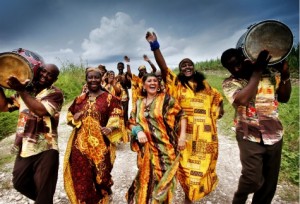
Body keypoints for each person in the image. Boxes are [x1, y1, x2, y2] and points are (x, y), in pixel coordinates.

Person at [145, 31, 224, 203]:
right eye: (183, 65)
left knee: (203, 166)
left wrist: (220, 110)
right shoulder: (177, 85)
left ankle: (194, 195)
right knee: (187, 168)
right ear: (180, 70)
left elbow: (218, 98)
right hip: (185, 134)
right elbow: (164, 68)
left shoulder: (206, 86)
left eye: (189, 64)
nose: (187, 67)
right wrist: (154, 45)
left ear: (194, 68)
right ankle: (189, 197)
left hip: (205, 135)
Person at [220, 48, 292, 204]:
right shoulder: (230, 83)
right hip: (248, 135)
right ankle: (239, 199)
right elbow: (243, 100)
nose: (236, 68)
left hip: (274, 135)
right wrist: (257, 70)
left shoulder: (270, 75)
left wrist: (285, 76)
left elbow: (285, 97)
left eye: (238, 63)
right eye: (231, 67)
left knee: (269, 184)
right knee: (252, 178)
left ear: (245, 58)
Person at [0, 63, 64, 204]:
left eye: (50, 75)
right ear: (38, 71)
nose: (44, 76)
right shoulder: (27, 89)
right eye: (43, 72)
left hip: (47, 148)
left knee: (44, 188)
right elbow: (3, 106)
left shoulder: (55, 94)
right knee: (19, 183)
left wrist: (22, 91)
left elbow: (40, 110)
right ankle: (44, 200)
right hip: (25, 146)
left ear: (55, 79)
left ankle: (44, 199)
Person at [63, 67, 123, 204]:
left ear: (101, 78)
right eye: (90, 77)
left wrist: (110, 127)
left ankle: (103, 193)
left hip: (101, 145)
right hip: (80, 146)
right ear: (86, 79)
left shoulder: (109, 98)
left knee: (101, 177)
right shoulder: (80, 99)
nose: (93, 80)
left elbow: (117, 115)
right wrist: (75, 119)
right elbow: (69, 116)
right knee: (81, 178)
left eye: (96, 77)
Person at [126, 73, 187, 203]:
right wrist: (138, 131)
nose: (153, 83)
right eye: (149, 81)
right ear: (144, 86)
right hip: (146, 151)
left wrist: (182, 137)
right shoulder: (139, 103)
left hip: (166, 149)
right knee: (147, 180)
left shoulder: (167, 100)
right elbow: (130, 122)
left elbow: (182, 115)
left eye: (155, 81)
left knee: (165, 183)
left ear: (159, 85)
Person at [116, 61, 131, 125]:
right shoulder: (116, 76)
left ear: (123, 67)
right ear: (117, 67)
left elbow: (129, 86)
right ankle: (119, 125)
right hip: (117, 97)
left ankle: (126, 125)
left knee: (125, 112)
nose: (120, 68)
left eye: (121, 66)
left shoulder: (125, 75)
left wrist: (124, 81)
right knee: (118, 112)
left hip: (125, 97)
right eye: (119, 66)